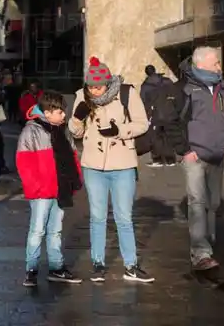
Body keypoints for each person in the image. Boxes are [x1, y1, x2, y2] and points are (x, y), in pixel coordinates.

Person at [69, 56, 153, 283]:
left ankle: (131, 265)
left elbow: (142, 123)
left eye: (98, 87)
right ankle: (98, 264)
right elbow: (75, 132)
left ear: (108, 83)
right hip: (93, 165)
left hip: (123, 164)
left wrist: (119, 130)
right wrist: (77, 119)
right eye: (91, 87)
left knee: (123, 217)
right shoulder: (81, 96)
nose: (95, 91)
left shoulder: (127, 93)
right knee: (97, 217)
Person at [172, 47, 224, 272]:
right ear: (202, 65)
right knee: (197, 203)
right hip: (195, 156)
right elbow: (173, 122)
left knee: (213, 203)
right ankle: (201, 253)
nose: (220, 67)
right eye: (216, 63)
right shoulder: (186, 89)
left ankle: (209, 243)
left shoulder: (220, 87)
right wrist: (185, 150)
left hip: (218, 155)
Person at [16, 91, 82, 287]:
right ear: (48, 111)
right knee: (37, 230)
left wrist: (74, 181)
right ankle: (31, 269)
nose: (64, 115)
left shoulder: (62, 131)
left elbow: (73, 157)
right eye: (60, 112)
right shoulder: (32, 131)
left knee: (55, 230)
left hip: (60, 188)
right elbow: (24, 164)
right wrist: (36, 187)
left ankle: (56, 267)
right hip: (42, 192)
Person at [140, 65, 177, 167]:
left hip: (155, 114)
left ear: (146, 73)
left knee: (155, 137)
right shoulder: (166, 81)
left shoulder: (146, 85)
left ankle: (158, 159)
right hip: (169, 112)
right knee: (168, 136)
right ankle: (170, 160)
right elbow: (175, 94)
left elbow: (143, 102)